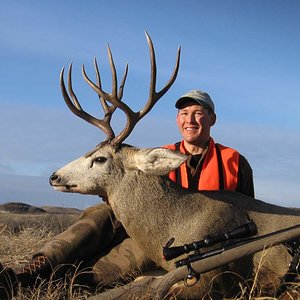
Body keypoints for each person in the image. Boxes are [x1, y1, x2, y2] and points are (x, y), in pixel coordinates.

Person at [0, 90, 254, 298]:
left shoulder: (234, 161)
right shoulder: (156, 156)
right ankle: (30, 272)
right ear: (177, 120)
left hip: (190, 242)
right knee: (103, 214)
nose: (191, 120)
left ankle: (70, 282)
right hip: (150, 227)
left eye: (199, 114)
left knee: (101, 273)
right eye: (184, 114)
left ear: (212, 119)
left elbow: (249, 211)